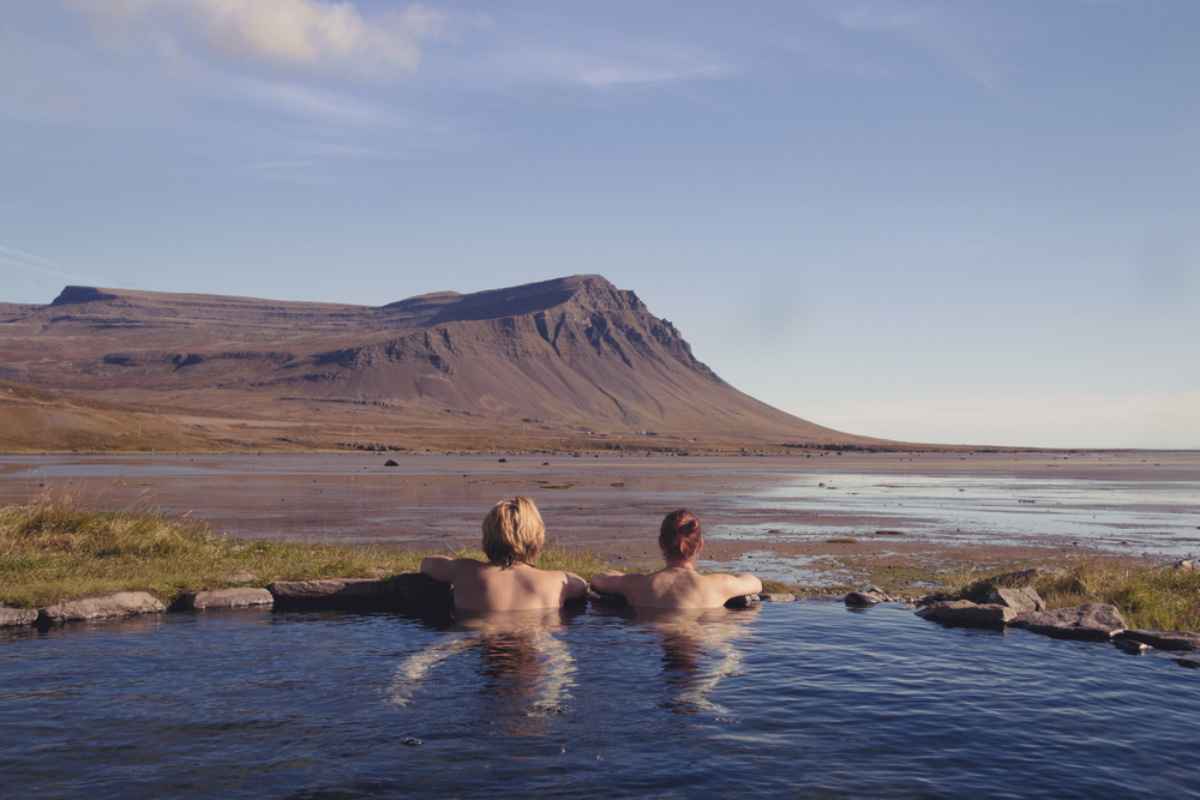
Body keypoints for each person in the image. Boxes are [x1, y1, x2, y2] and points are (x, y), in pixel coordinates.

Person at [420, 496, 588, 612]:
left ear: (487, 536)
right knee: (563, 662)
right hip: (533, 632)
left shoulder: (463, 570)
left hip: (475, 630)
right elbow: (582, 585)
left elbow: (427, 564)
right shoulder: (556, 580)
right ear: (537, 539)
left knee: (420, 661)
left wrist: (455, 564)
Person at [589, 509, 762, 609]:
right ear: (700, 544)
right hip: (702, 635)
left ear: (660, 543)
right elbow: (755, 583)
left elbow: (598, 580)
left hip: (654, 638)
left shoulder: (636, 584)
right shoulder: (718, 585)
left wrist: (619, 575)